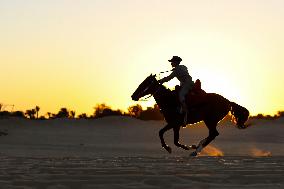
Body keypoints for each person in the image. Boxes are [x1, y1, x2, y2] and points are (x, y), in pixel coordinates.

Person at [158, 56, 194, 125]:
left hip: (187, 84)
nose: (171, 63)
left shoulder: (176, 70)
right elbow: (183, 70)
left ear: (176, 62)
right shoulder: (182, 67)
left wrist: (161, 81)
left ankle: (185, 110)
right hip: (185, 83)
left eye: (172, 62)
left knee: (181, 95)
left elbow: (168, 78)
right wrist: (175, 69)